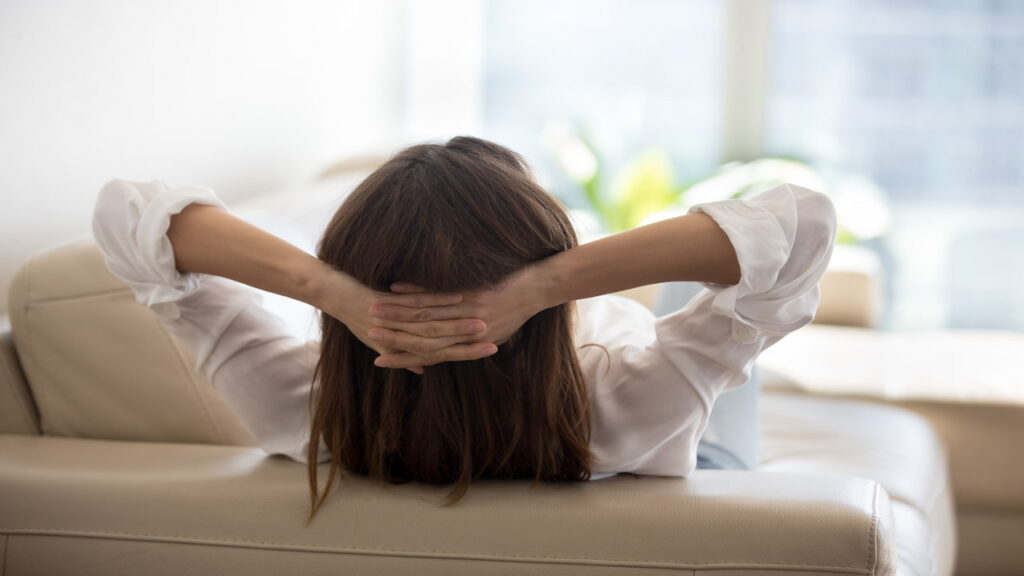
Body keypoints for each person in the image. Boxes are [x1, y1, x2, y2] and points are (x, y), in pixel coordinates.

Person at [92, 136, 836, 524]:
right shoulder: (628, 395)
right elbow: (798, 223)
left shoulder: (301, 402)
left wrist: (331, 294)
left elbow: (127, 214)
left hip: (614, 382)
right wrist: (548, 285)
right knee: (701, 291)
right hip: (696, 450)